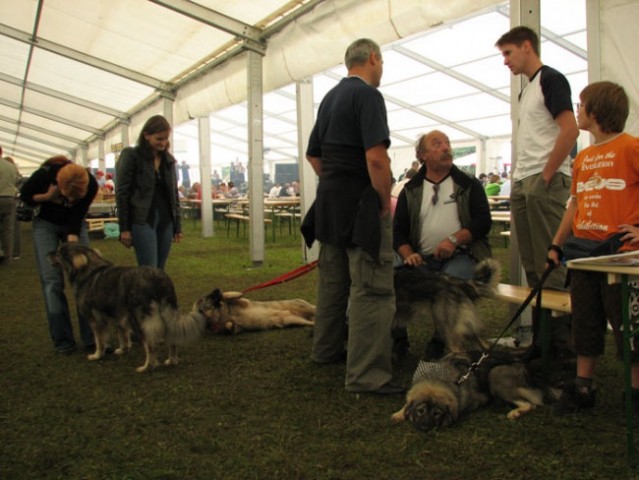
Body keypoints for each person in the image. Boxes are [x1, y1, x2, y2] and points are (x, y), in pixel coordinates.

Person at [301, 38, 400, 394]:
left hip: (328, 203)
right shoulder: (368, 96)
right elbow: (376, 158)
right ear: (373, 58)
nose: (382, 69)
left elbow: (314, 156)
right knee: (372, 287)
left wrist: (337, 179)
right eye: (382, 62)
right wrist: (381, 199)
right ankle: (367, 375)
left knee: (332, 283)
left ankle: (325, 350)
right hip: (359, 205)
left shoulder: (330, 98)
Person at [546, 81, 639, 414]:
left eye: (581, 104)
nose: (577, 110)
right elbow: (573, 205)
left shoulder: (631, 147)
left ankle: (635, 392)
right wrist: (557, 245)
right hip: (583, 254)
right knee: (584, 321)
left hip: (620, 256)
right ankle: (584, 388)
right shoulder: (583, 157)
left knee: (627, 325)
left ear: (596, 111)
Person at [496, 26, 579, 356]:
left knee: (550, 265)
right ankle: (542, 344)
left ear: (526, 47)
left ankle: (559, 349)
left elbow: (570, 129)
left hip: (542, 180)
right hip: (523, 179)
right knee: (533, 267)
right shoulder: (526, 90)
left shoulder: (551, 78)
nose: (505, 61)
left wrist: (546, 174)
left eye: (508, 53)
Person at [393, 130, 492, 359]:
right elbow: (398, 232)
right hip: (421, 257)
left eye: (447, 143)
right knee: (391, 279)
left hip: (463, 254)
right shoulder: (411, 190)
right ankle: (397, 339)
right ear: (422, 155)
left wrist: (454, 240)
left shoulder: (468, 184)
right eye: (437, 144)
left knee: (452, 282)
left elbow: (482, 222)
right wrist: (408, 254)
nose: (446, 147)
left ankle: (440, 341)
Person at [20, 157, 98, 354]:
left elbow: (77, 215)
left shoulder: (90, 183)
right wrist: (47, 196)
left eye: (75, 198)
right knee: (52, 281)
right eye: (67, 196)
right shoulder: (45, 175)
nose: (71, 201)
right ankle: (63, 340)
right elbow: (25, 196)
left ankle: (92, 337)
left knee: (86, 278)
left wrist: (73, 244)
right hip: (45, 224)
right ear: (59, 185)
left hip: (74, 224)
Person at [115, 114, 183, 270]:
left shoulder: (169, 160)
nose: (163, 143)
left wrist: (177, 226)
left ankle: (158, 295)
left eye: (166, 139)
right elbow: (122, 193)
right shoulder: (131, 156)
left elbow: (174, 194)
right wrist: (124, 228)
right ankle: (146, 295)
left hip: (165, 220)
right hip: (142, 219)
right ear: (146, 136)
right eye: (159, 139)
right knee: (148, 270)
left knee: (160, 271)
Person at [0, 155, 20, 265]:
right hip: (9, 198)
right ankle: (8, 257)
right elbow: (17, 181)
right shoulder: (11, 166)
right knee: (8, 230)